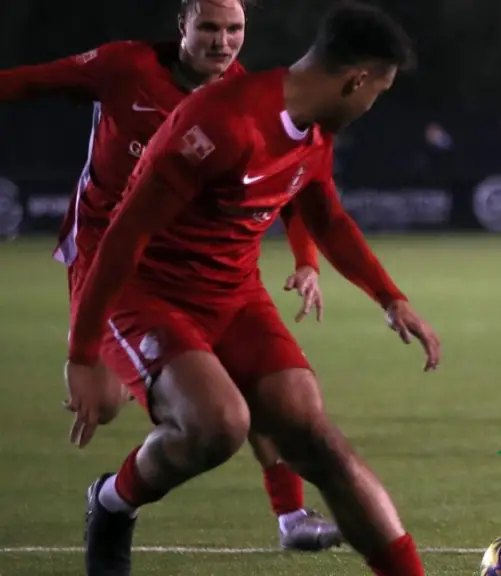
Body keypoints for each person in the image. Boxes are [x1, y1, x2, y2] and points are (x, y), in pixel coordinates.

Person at [64, 2, 439, 574]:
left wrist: (391, 298)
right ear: (355, 80)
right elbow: (122, 238)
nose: (371, 105)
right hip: (148, 294)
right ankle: (112, 502)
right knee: (219, 426)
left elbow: (326, 216)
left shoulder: (313, 128)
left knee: (315, 435)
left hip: (236, 296)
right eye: (377, 92)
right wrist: (82, 354)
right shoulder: (221, 122)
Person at [0, 0, 345, 553]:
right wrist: (80, 356)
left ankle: (292, 515)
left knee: (257, 390)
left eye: (233, 29)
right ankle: (120, 464)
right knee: (108, 405)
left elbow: (289, 183)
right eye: (208, 27)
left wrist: (306, 258)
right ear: (181, 26)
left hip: (198, 267)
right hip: (112, 258)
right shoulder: (124, 69)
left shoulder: (244, 96)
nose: (222, 41)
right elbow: (26, 82)